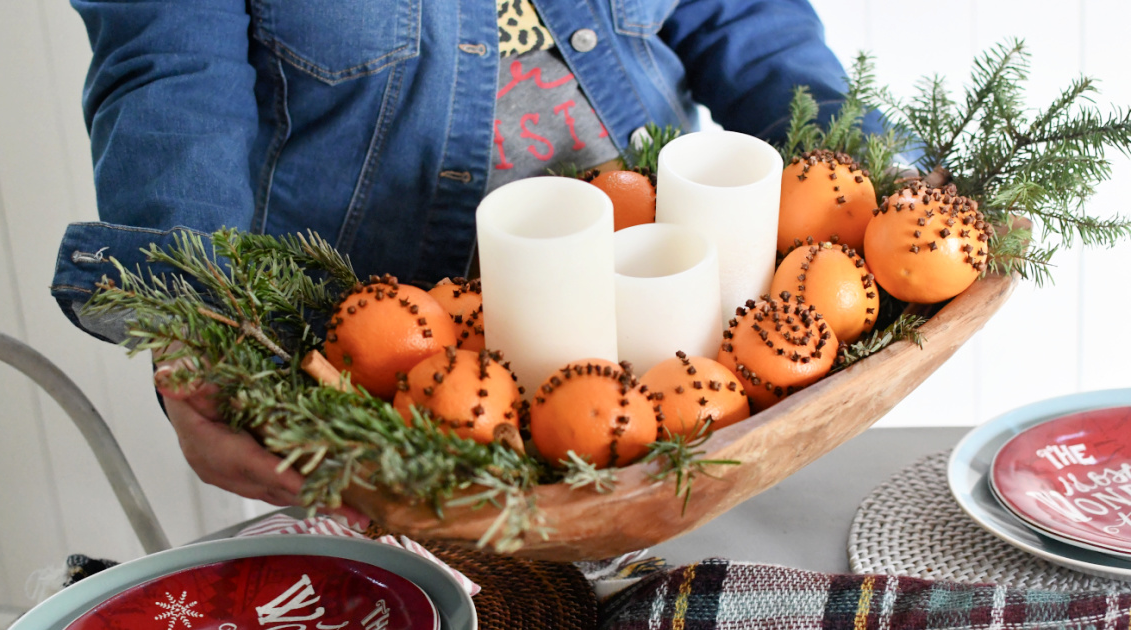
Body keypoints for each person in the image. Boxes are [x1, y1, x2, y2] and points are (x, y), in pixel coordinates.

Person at [51, 0, 859, 507]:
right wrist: (202, 331)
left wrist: (871, 167)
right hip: (394, 398)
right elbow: (171, 69)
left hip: (681, 364)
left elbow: (745, 17)